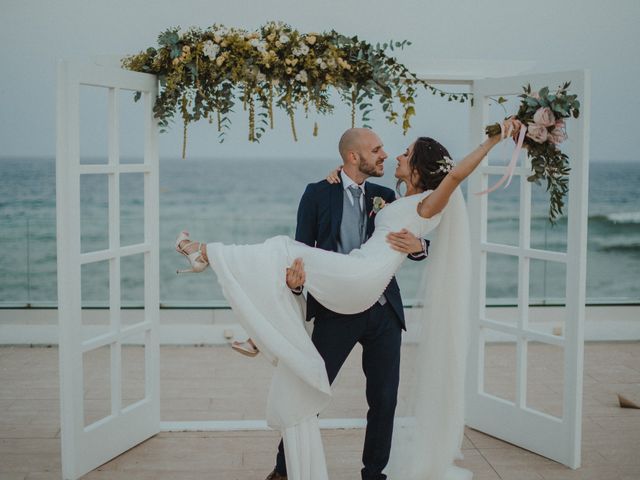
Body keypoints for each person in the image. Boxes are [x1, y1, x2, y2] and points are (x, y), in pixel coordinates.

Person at [175, 117, 522, 480]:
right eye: (377, 151)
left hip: (381, 306)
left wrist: (420, 244)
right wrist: (294, 286)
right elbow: (302, 251)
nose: (388, 156)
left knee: (384, 401)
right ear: (353, 157)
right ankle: (284, 467)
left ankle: (374, 475)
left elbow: (433, 213)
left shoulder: (387, 196)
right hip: (338, 302)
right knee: (308, 382)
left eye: (400, 153)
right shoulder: (319, 192)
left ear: (416, 169)